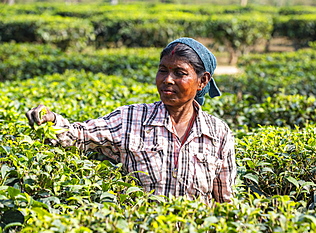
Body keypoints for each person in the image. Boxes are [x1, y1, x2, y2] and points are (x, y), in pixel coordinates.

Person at [26, 37, 236, 204]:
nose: (167, 80)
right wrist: (51, 120)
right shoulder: (131, 119)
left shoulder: (218, 133)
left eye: (179, 73)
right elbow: (78, 135)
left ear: (203, 81)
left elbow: (224, 200)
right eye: (163, 70)